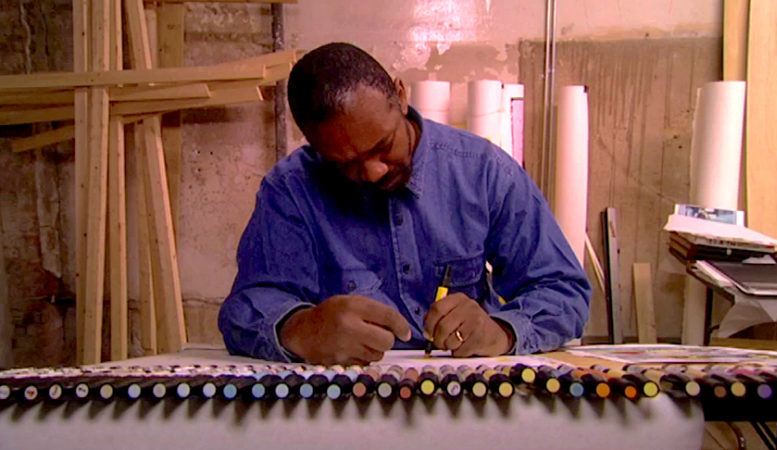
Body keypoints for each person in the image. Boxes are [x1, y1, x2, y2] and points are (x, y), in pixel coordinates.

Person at [218, 42, 590, 365]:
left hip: (464, 397)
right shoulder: (291, 189)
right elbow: (247, 306)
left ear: (400, 94)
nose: (374, 172)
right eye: (344, 163)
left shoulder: (483, 171)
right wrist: (300, 328)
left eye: (383, 146)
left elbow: (564, 290)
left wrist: (503, 331)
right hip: (343, 405)